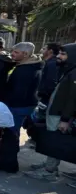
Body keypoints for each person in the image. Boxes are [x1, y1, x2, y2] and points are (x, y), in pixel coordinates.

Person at [24, 43, 76, 182]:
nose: (58, 56)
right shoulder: (68, 70)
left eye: (63, 54)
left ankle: (49, 171)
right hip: (55, 112)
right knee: (52, 141)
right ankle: (48, 164)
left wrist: (65, 119)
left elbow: (72, 98)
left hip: (60, 115)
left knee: (56, 141)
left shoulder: (74, 73)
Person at [4, 42, 43, 137]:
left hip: (18, 106)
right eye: (12, 51)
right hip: (26, 104)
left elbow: (18, 92)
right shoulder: (32, 65)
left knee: (11, 133)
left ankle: (10, 150)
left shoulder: (25, 69)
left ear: (25, 54)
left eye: (16, 52)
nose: (12, 54)